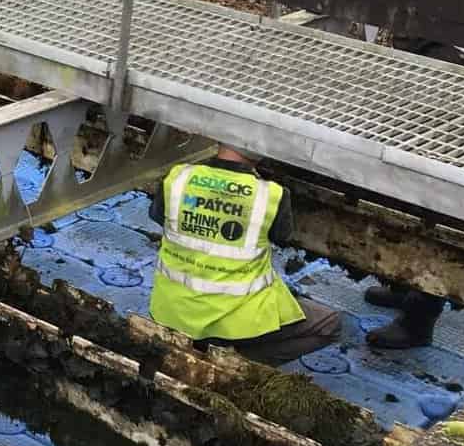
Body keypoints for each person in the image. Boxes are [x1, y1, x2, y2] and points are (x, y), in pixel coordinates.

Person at [358, 0, 464, 348]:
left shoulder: (461, 47)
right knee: (401, 211)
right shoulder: (422, 27)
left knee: (435, 223)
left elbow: (461, 108)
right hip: (410, 135)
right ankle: (401, 285)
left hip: (451, 146)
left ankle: (419, 321)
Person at [147, 146, 343, 365]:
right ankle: (235, 364)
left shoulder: (178, 178)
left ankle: (207, 350)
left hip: (172, 312)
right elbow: (282, 236)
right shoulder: (271, 195)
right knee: (329, 324)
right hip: (233, 322)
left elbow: (158, 216)